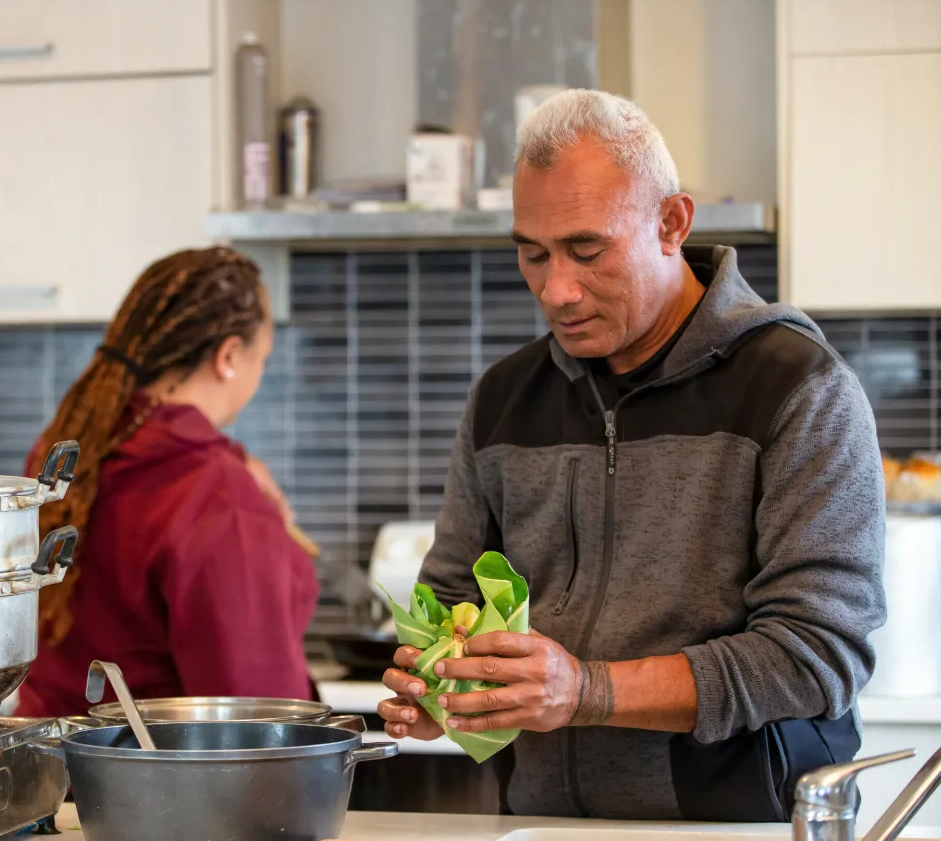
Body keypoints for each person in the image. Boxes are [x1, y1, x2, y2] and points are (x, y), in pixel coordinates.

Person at [377, 89, 887, 821]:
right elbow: (449, 601)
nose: (556, 289)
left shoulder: (796, 388)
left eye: (587, 249)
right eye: (532, 253)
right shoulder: (501, 399)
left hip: (737, 828)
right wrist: (442, 684)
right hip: (542, 823)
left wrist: (587, 691)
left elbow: (815, 656)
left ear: (671, 224)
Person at [15, 247, 318, 717]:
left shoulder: (66, 452)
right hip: (154, 783)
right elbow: (258, 724)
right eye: (264, 358)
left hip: (45, 776)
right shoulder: (219, 496)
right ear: (230, 356)